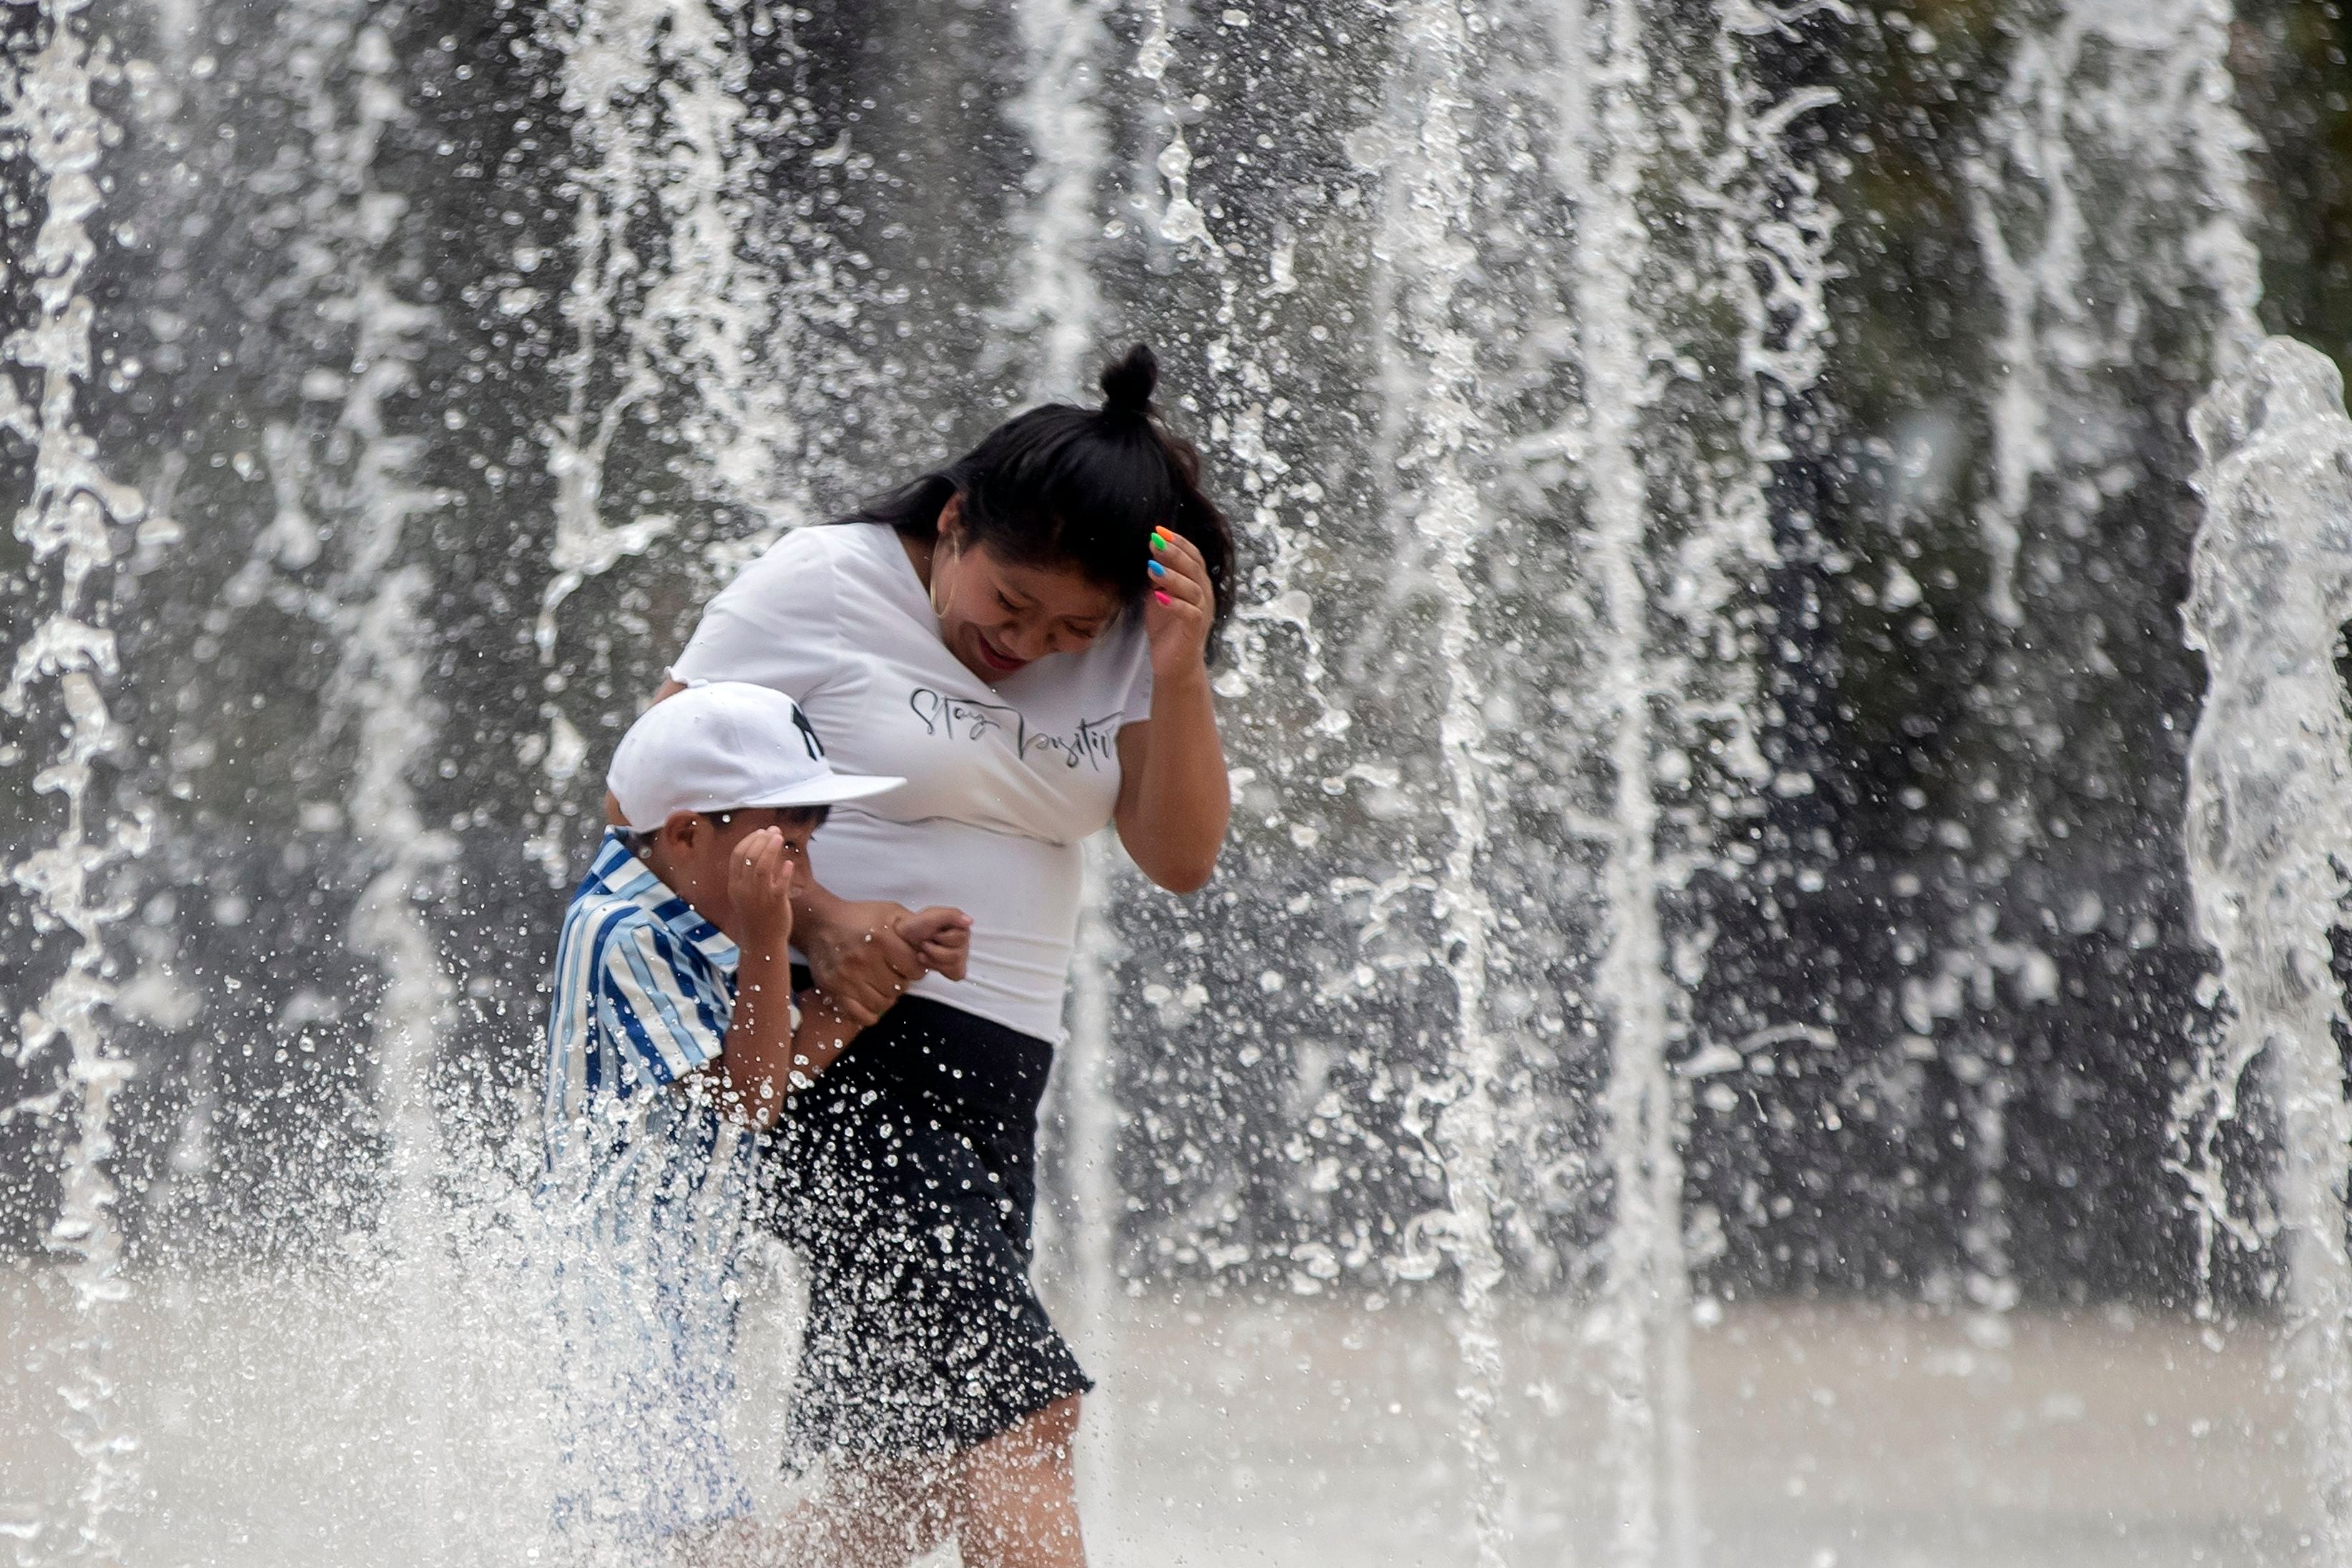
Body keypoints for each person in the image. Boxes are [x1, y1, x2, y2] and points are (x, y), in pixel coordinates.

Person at [650, 343, 1235, 1566]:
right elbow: (659, 800)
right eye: (1007, 603)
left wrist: (1174, 673)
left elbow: (1177, 855)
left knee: (888, 1492)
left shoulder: (1136, 642)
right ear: (956, 520)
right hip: (839, 1042)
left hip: (994, 1074)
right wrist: (817, 913)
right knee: (1024, 1415)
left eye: (1070, 628)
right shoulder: (823, 582)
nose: (1023, 644)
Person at [541, 680, 969, 1565]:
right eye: (780, 857)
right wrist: (773, 941)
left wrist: (875, 979)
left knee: (671, 1539)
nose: (798, 884)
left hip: (679, 1290)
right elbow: (750, 1098)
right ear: (688, 832)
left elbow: (764, 1062)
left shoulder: (687, 908)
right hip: (616, 1298)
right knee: (689, 1541)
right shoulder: (621, 930)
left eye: (805, 855)